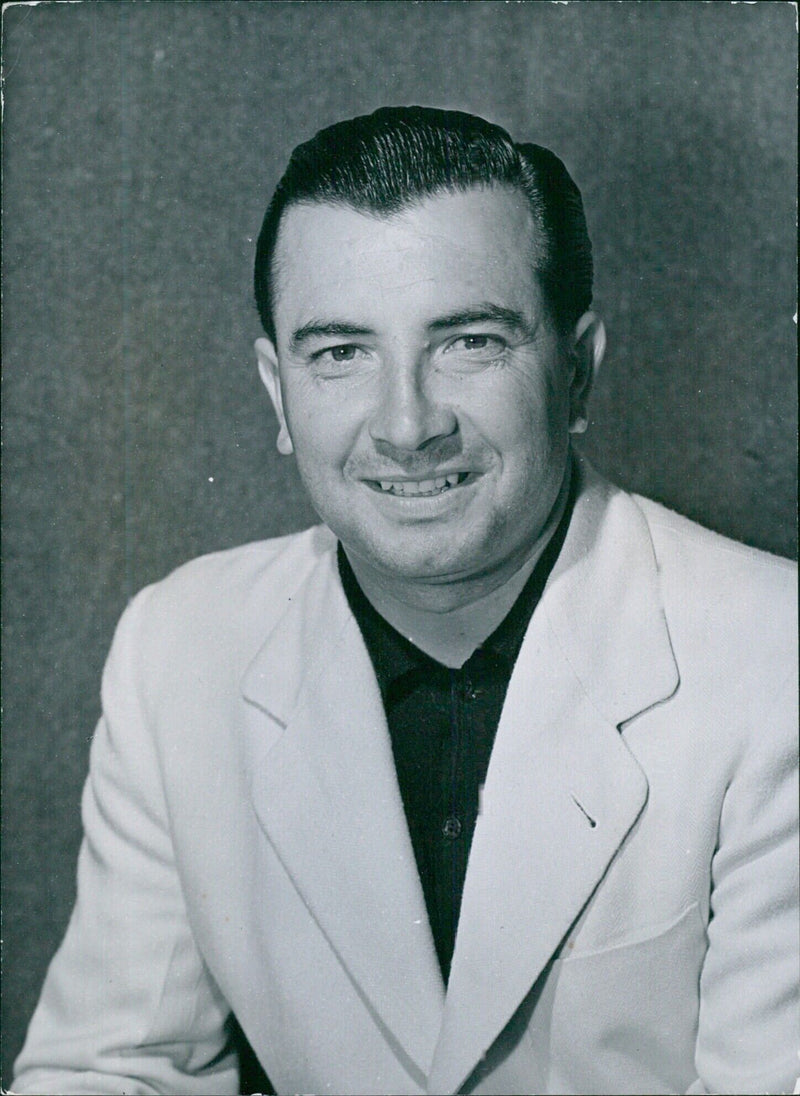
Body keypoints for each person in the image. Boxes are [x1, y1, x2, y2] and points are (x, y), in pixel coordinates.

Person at [12, 106, 798, 1096]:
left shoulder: (775, 655)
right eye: (339, 352)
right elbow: (110, 1069)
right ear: (276, 392)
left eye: (467, 340)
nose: (404, 423)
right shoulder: (177, 646)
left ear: (575, 369)